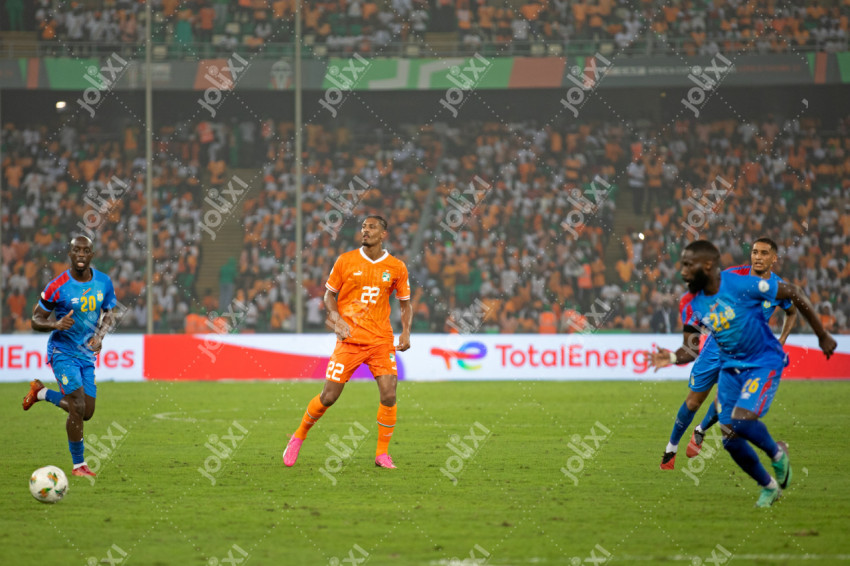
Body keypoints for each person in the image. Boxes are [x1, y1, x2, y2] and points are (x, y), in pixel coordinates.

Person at [650, 240, 835, 507]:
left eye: (689, 265)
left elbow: (793, 293)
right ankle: (769, 486)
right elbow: (689, 350)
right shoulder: (690, 303)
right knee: (730, 439)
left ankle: (777, 453)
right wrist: (669, 357)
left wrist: (822, 335)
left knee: (742, 421)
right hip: (730, 365)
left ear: (707, 265)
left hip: (762, 361)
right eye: (683, 265)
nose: (683, 271)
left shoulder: (742, 284)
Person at [283, 216, 412, 469]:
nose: (365, 230)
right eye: (363, 227)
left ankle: (382, 454)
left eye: (372, 227)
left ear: (383, 234)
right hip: (349, 340)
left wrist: (406, 332)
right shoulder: (345, 260)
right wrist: (335, 317)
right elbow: (329, 295)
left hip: (380, 341)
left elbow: (405, 303)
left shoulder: (397, 267)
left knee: (389, 394)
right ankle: (298, 435)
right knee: (328, 397)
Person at [658, 238, 798, 470]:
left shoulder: (776, 287)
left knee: (726, 403)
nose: (758, 257)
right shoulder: (733, 276)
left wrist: (781, 340)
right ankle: (671, 447)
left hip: (748, 355)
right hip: (715, 348)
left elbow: (792, 312)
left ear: (774, 258)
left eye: (764, 253)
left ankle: (701, 429)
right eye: (755, 252)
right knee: (693, 401)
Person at [22, 236, 117, 478]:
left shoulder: (103, 282)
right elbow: (36, 319)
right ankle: (78, 466)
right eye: (77, 250)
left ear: (92, 254)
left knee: (87, 412)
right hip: (62, 352)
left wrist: (100, 336)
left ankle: (41, 393)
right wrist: (55, 324)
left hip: (86, 355)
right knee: (77, 406)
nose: (81, 254)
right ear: (70, 254)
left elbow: (109, 313)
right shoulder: (57, 285)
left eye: (86, 250)